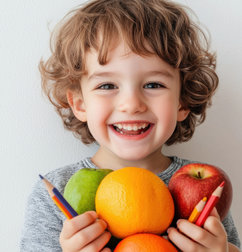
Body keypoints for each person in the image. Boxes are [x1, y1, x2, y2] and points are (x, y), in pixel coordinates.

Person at [20, 0, 241, 251]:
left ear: (182, 102)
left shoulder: (208, 192)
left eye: (153, 84)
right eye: (107, 86)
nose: (131, 104)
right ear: (80, 104)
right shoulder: (54, 195)